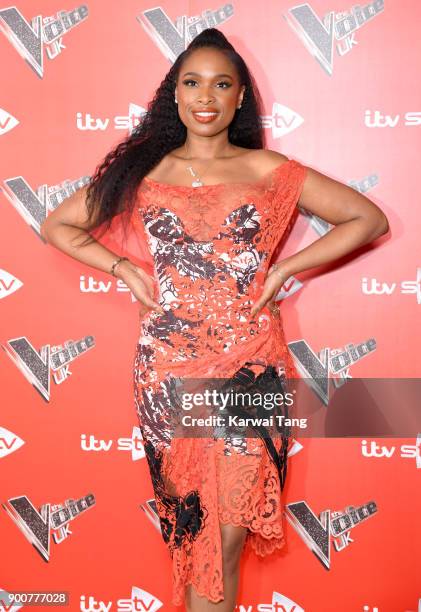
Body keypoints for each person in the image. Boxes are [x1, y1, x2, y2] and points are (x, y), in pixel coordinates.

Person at [40, 27, 388, 612]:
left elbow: (367, 219)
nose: (206, 96)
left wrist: (283, 271)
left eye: (221, 84)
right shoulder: (145, 172)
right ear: (172, 96)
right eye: (192, 83)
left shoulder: (269, 168)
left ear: (239, 99)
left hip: (250, 365)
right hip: (168, 369)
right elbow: (57, 225)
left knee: (226, 540)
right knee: (197, 534)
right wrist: (122, 267)